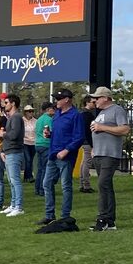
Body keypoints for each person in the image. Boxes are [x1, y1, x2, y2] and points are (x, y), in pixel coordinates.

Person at [88, 87, 130, 232]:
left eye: (97, 98)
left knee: (102, 184)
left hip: (110, 154)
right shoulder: (101, 113)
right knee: (106, 187)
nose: (95, 100)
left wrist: (102, 127)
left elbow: (124, 129)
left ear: (106, 98)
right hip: (99, 154)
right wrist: (94, 148)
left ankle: (102, 218)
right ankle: (110, 221)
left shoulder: (117, 110)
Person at [42, 89, 84, 226]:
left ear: (67, 99)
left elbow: (79, 137)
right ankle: (49, 215)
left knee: (66, 185)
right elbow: (59, 133)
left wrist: (67, 150)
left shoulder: (75, 115)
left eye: (58, 99)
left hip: (65, 156)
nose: (56, 102)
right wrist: (50, 134)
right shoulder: (57, 115)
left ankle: (65, 215)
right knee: (46, 183)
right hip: (53, 154)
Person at [0, 93, 26, 216]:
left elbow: (14, 135)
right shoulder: (12, 117)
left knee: (15, 180)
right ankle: (14, 204)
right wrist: (3, 150)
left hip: (14, 152)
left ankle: (19, 207)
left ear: (13, 103)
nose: (4, 105)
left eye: (6, 103)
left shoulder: (16, 117)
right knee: (11, 180)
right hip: (9, 152)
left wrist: (3, 134)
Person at [32, 100, 54, 198]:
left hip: (38, 144)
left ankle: (37, 188)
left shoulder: (39, 119)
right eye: (53, 109)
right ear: (48, 109)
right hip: (46, 144)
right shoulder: (49, 119)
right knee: (46, 168)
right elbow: (52, 132)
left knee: (40, 168)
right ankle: (42, 189)